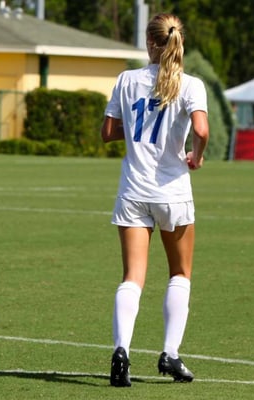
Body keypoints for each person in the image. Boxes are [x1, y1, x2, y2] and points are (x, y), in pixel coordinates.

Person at [100, 13, 209, 387]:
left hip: (133, 190)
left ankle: (121, 351)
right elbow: (201, 129)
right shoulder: (191, 84)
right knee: (179, 274)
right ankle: (170, 354)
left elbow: (108, 132)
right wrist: (196, 155)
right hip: (173, 193)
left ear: (150, 42)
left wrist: (136, 134)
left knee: (132, 277)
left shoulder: (126, 80)